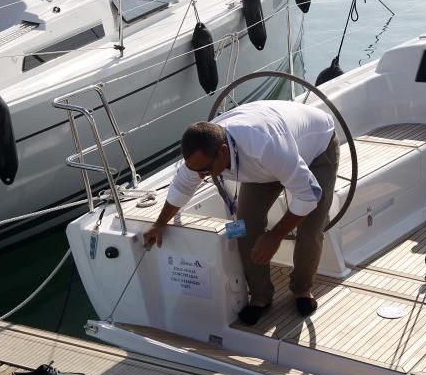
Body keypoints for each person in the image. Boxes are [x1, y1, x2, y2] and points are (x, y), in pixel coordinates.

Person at [143, 100, 339, 326]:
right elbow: (181, 188)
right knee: (246, 225)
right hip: (264, 168)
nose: (200, 176)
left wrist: (275, 236)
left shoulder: (265, 144)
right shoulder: (200, 156)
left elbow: (308, 195)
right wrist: (159, 224)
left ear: (223, 151)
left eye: (205, 170)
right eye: (194, 170)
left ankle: (302, 289)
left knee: (310, 227)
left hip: (316, 149)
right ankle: (260, 296)